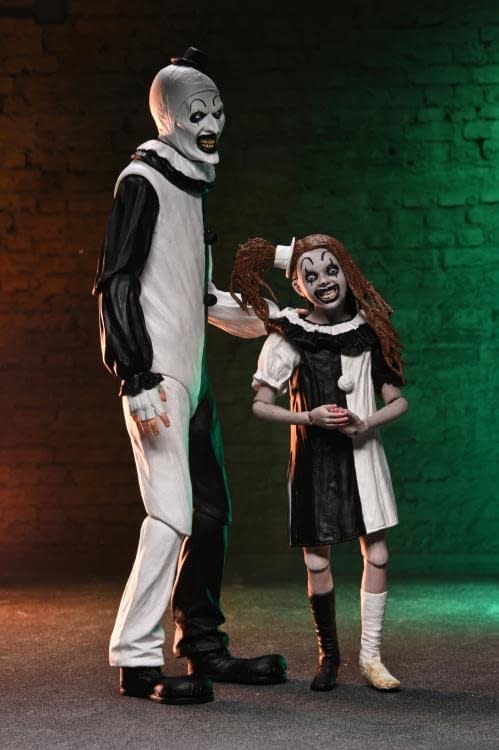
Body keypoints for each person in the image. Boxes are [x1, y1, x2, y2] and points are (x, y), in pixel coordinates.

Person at [93, 48, 286, 705]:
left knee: (209, 512)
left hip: (191, 374)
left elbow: (199, 296)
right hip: (159, 377)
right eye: (197, 112)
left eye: (217, 111)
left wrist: (278, 321)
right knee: (171, 512)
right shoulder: (142, 181)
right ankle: (136, 658)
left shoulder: (190, 187)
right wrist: (135, 374)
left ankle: (202, 644)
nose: (211, 124)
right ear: (168, 116)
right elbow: (115, 281)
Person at [230, 233, 408, 692]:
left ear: (347, 271)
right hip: (313, 460)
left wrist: (365, 423)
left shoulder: (368, 331)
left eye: (331, 269)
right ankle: (329, 656)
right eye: (310, 276)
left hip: (363, 457)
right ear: (298, 286)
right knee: (315, 561)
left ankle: (371, 657)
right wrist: (308, 417)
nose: (324, 280)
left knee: (378, 553)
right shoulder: (290, 333)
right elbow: (260, 404)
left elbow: (397, 401)